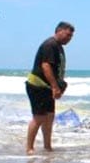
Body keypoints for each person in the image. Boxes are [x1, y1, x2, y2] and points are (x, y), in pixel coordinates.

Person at [25, 21, 75, 155]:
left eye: (71, 37)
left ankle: (47, 146)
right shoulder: (50, 45)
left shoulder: (59, 47)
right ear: (59, 31)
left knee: (50, 117)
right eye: (67, 35)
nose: (69, 38)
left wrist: (61, 84)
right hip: (37, 85)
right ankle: (29, 148)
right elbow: (45, 66)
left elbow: (57, 69)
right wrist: (55, 87)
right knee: (39, 117)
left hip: (47, 87)